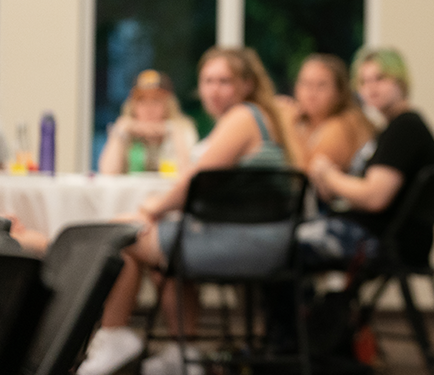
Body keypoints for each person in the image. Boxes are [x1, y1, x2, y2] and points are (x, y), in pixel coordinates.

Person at [77, 46, 292, 375]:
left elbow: (193, 181)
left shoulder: (242, 117)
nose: (213, 90)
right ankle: (181, 353)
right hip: (257, 237)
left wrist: (152, 209)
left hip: (249, 242)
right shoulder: (254, 117)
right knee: (156, 250)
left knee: (119, 233)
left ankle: (114, 337)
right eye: (207, 81)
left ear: (246, 85)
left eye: (224, 81)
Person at [303, 46, 434, 268]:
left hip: (385, 241)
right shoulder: (396, 127)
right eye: (364, 82)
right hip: (394, 238)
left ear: (401, 81)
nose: (371, 88)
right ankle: (321, 303)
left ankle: (298, 304)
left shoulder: (404, 129)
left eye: (379, 79)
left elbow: (375, 197)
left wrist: (328, 175)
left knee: (280, 246)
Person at [277, 53, 374, 176]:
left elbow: (305, 179)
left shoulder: (344, 124)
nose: (311, 93)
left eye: (321, 85)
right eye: (305, 83)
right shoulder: (307, 122)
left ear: (339, 92)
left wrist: (287, 125)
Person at [98, 69, 199, 174]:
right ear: (132, 106)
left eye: (156, 100)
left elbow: (188, 173)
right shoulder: (125, 129)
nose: (149, 108)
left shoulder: (182, 128)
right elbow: (108, 172)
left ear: (168, 105)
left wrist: (173, 131)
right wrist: (121, 132)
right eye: (141, 101)